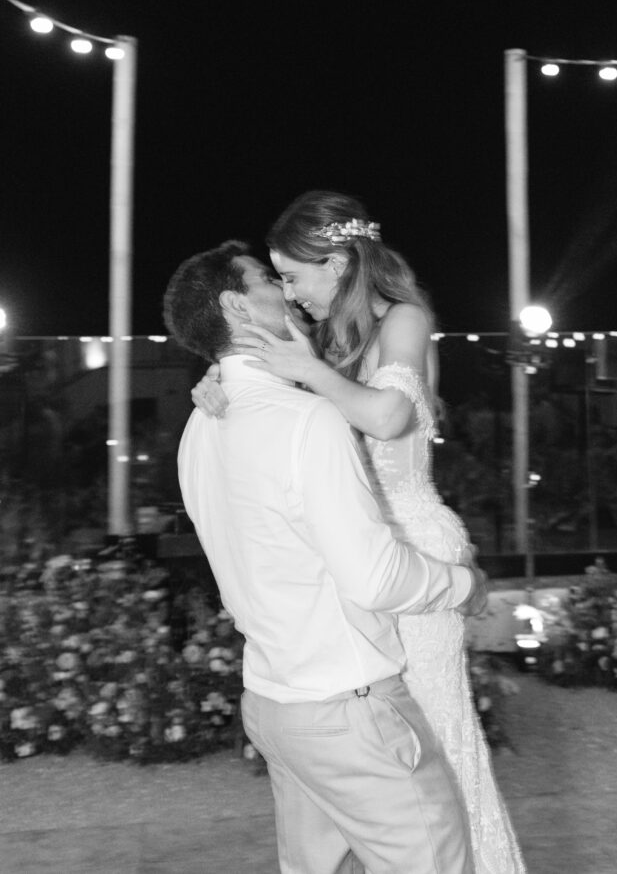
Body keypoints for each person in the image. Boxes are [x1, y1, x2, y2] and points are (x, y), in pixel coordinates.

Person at [193, 192, 527, 874]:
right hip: (351, 555)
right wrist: (220, 379)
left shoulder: (402, 319)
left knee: (427, 735)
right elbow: (282, 402)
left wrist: (307, 371)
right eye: (278, 278)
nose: (289, 292)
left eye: (293, 275)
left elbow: (386, 418)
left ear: (340, 262)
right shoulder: (325, 343)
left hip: (408, 548)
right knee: (374, 749)